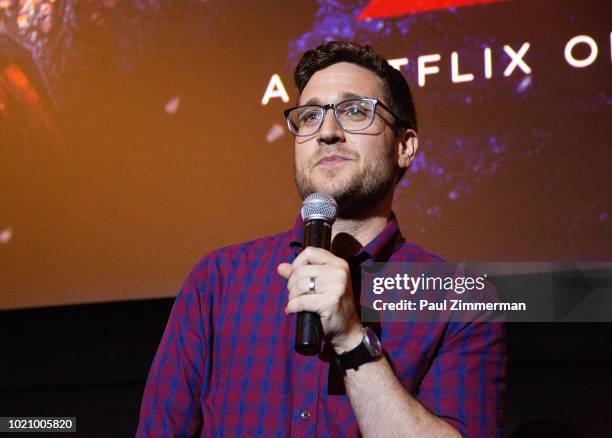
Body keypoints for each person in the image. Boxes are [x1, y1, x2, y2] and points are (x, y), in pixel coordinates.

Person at [137, 41, 505, 437]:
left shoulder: (458, 299)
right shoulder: (219, 281)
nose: (327, 132)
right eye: (310, 116)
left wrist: (352, 340)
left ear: (404, 147)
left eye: (355, 111)